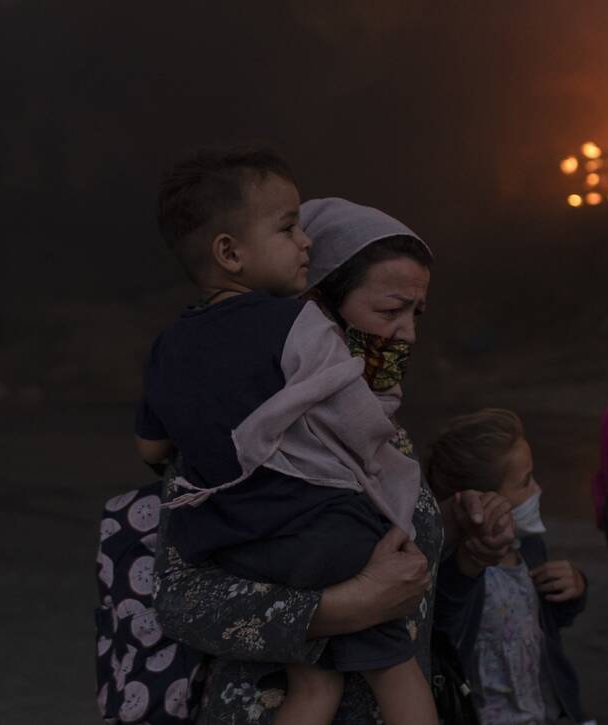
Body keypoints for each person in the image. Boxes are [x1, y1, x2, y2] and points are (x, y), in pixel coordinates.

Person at [149, 189, 515, 725]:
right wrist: (338, 609)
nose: (407, 334)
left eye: (417, 312)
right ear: (317, 310)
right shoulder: (239, 437)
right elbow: (179, 601)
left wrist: (462, 552)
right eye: (390, 310)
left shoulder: (388, 441)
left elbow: (418, 614)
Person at [428, 409, 590, 725]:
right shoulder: (453, 572)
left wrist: (575, 588)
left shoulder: (527, 546)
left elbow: (544, 626)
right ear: (483, 502)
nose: (538, 490)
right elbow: (444, 635)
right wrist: (468, 565)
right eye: (525, 482)